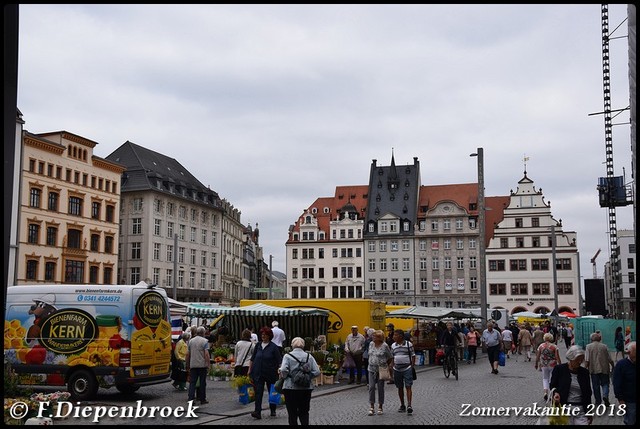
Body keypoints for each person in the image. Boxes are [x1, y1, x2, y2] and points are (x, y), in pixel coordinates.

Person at [278, 337, 321, 426]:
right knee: (304, 412)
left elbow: (283, 370)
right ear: (303, 346)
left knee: (292, 413)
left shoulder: (287, 356)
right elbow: (317, 371)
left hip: (290, 388)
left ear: (292, 345)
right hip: (306, 388)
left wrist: (286, 377)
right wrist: (307, 377)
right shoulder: (309, 356)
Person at [550, 345, 593, 425]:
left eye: (581, 359)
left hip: (581, 409)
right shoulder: (559, 369)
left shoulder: (584, 372)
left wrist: (589, 412)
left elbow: (588, 393)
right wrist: (555, 393)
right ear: (571, 358)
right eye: (577, 359)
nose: (580, 362)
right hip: (565, 408)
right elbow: (553, 385)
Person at [249, 326, 282, 420]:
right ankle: (257, 411)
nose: (263, 336)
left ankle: (272, 409)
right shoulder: (258, 345)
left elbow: (279, 360)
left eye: (265, 334)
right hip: (258, 372)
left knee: (272, 392)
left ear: (269, 336)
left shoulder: (274, 347)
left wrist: (280, 371)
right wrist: (249, 370)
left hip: (270, 373)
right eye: (262, 334)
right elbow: (252, 358)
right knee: (258, 392)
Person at [366, 329, 393, 416]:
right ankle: (371, 406)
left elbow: (390, 357)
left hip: (381, 370)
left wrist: (387, 366)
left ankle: (380, 406)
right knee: (371, 387)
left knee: (380, 388)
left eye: (374, 336)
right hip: (371, 368)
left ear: (379, 338)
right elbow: (369, 355)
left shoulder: (385, 346)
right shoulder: (371, 344)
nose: (372, 337)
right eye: (373, 336)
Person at [585, 331, 614, 406]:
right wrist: (613, 365)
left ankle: (598, 401)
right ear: (599, 339)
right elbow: (609, 358)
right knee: (605, 384)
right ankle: (605, 395)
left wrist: (585, 369)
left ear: (591, 339)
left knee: (595, 386)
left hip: (593, 369)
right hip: (604, 368)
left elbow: (587, 359)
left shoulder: (588, 347)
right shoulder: (604, 346)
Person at [391, 329, 415, 415]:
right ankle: (402, 405)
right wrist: (392, 366)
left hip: (407, 368)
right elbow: (392, 356)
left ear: (400, 336)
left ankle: (409, 405)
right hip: (397, 369)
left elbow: (413, 355)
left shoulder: (409, 344)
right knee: (399, 387)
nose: (393, 337)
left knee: (408, 386)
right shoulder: (393, 345)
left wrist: (411, 366)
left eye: (395, 335)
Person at [613, 341, 636, 425]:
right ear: (629, 353)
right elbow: (617, 383)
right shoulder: (621, 365)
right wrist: (620, 399)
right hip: (629, 401)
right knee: (630, 421)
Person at [185, 326, 210, 405]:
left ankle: (190, 399)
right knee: (202, 383)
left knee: (192, 383)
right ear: (203, 333)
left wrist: (187, 364)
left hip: (193, 365)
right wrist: (208, 364)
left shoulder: (191, 341)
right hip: (202, 365)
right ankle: (202, 399)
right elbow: (206, 354)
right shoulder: (205, 341)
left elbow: (187, 354)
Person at [535, 332, 561, 401]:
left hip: (544, 364)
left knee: (545, 379)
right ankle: (552, 393)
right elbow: (557, 356)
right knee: (552, 379)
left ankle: (545, 392)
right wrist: (560, 364)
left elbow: (538, 356)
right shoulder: (554, 346)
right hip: (553, 364)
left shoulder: (541, 346)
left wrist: (536, 363)